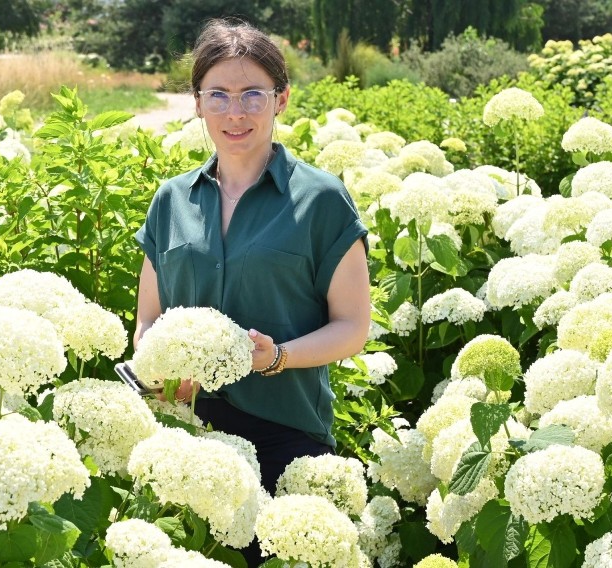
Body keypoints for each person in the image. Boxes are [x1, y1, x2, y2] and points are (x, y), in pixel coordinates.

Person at [133, 17, 371, 566]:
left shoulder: (321, 200)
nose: (234, 113)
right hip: (185, 436)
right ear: (196, 103)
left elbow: (352, 326)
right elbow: (148, 321)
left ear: (281, 99)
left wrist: (278, 357)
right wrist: (161, 373)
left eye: (251, 95)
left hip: (285, 437)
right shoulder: (170, 200)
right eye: (217, 95)